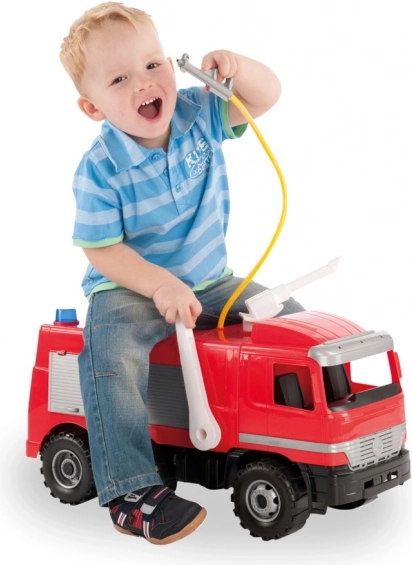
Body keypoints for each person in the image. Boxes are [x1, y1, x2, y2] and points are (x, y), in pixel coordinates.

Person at [59, 1, 304, 545]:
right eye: (120, 79)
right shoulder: (100, 168)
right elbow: (102, 250)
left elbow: (266, 95)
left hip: (212, 281)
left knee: (289, 324)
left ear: (173, 65)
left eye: (153, 64)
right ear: (93, 107)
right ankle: (129, 491)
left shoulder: (199, 113)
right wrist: (158, 284)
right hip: (129, 288)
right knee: (111, 354)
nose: (144, 82)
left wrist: (239, 66)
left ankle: (282, 437)